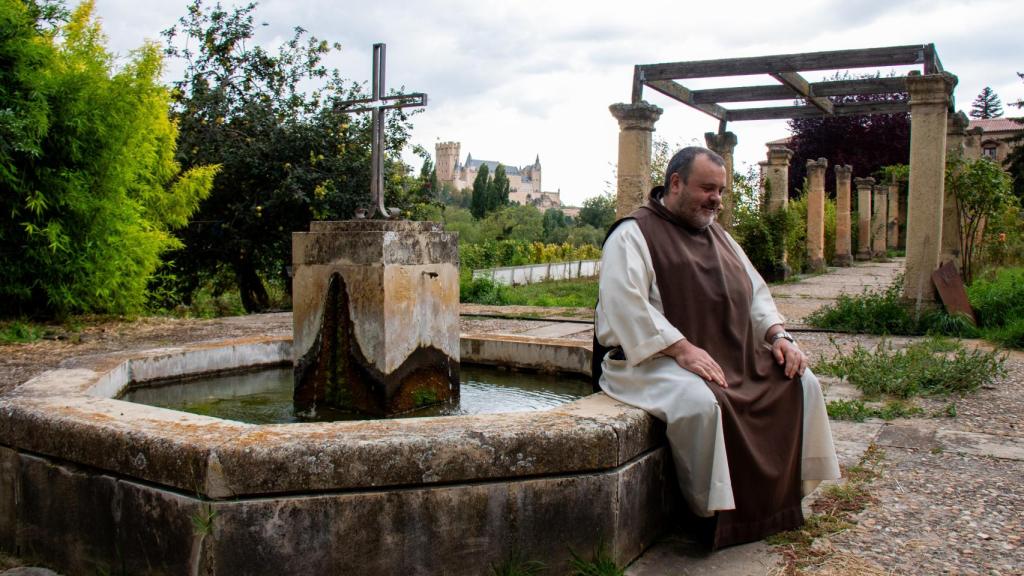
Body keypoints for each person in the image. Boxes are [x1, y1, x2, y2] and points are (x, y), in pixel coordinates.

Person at [594, 146, 840, 549]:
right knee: (700, 405)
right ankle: (711, 514)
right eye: (708, 188)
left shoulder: (720, 236)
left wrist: (779, 336)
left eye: (721, 191)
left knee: (801, 382)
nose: (717, 200)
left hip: (729, 353)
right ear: (675, 183)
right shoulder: (632, 234)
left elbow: (755, 293)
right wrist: (680, 348)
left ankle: (784, 498)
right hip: (649, 361)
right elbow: (625, 303)